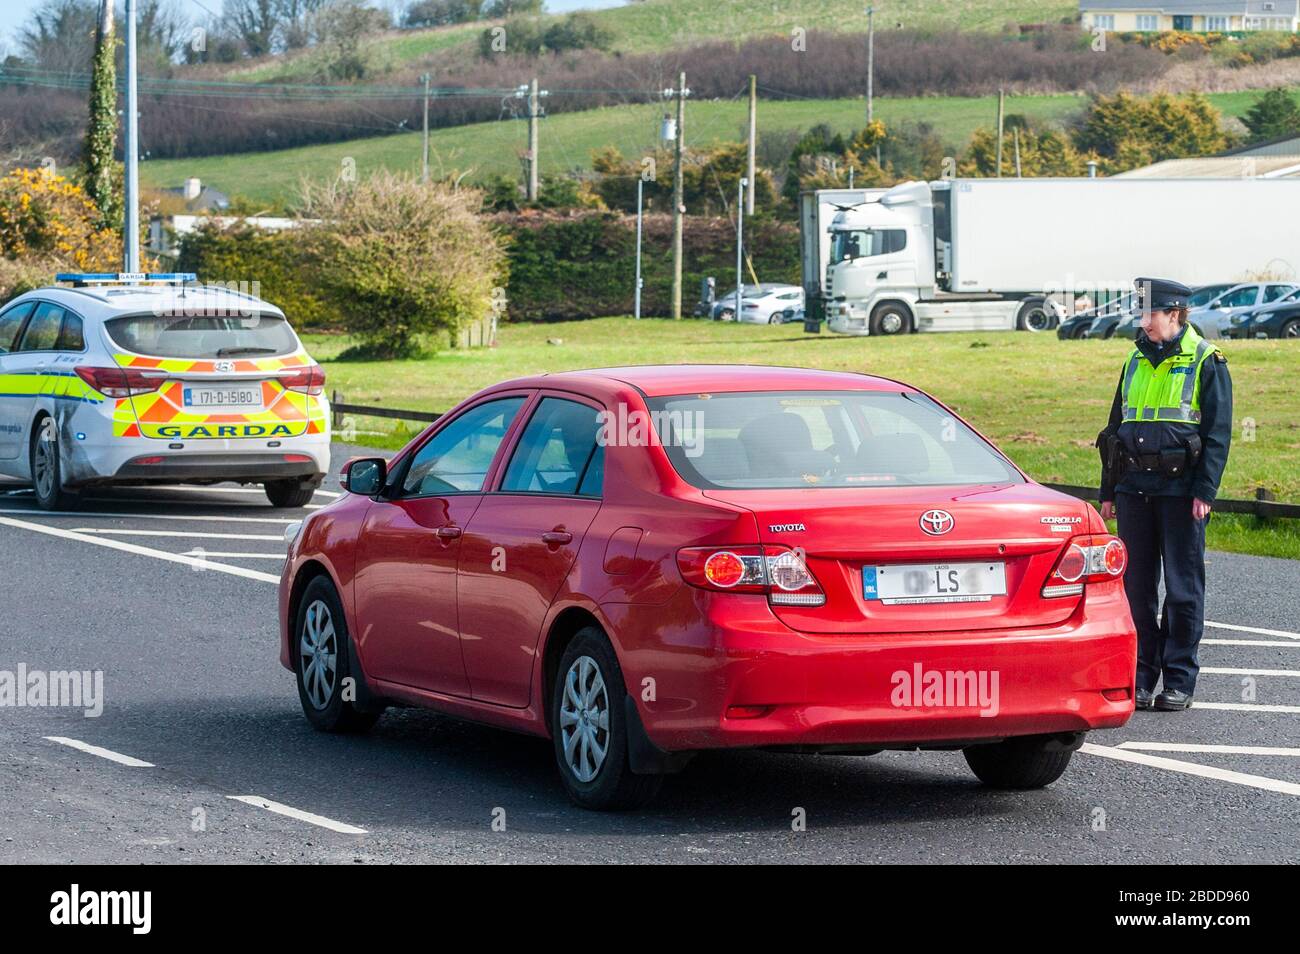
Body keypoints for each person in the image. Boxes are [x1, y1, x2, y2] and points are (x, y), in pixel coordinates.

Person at [1096, 278, 1233, 712]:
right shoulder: (1134, 360)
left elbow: (1217, 434)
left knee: (1181, 588)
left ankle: (1179, 680)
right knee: (1136, 590)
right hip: (1134, 489)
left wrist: (1205, 490)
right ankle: (1139, 676)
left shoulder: (1207, 361)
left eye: (1149, 314)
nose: (1143, 322)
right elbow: (1114, 429)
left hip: (1181, 493)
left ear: (1174, 314)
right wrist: (1109, 490)